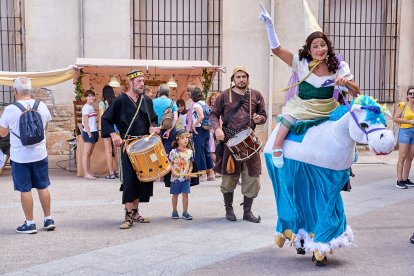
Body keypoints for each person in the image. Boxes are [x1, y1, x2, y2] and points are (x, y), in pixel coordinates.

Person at [259, 4, 359, 169]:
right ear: (309, 49)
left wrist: (346, 82)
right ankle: (277, 148)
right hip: (304, 105)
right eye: (315, 46)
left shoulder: (339, 65)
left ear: (328, 46)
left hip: (328, 106)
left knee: (348, 120)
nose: (320, 49)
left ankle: (352, 148)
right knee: (288, 119)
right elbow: (277, 50)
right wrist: (270, 26)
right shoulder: (300, 63)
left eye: (323, 45)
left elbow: (357, 92)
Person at [101, 70, 159, 229]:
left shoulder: (147, 100)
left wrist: (153, 127)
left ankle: (135, 212)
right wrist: (113, 134)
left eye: (143, 81)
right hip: (129, 145)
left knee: (143, 180)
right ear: (130, 83)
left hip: (145, 145)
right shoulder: (120, 101)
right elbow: (105, 119)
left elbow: (153, 119)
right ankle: (128, 215)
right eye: (139, 81)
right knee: (129, 181)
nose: (142, 84)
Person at [210, 67, 267, 223]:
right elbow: (213, 115)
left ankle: (247, 212)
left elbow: (264, 115)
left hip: (250, 141)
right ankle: (229, 210)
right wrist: (217, 129)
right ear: (233, 79)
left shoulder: (256, 95)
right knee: (228, 177)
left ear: (248, 78)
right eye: (238, 77)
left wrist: (259, 119)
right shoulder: (224, 95)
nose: (241, 79)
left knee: (252, 178)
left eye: (244, 77)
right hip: (230, 141)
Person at [0, 77, 55, 234]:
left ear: (15, 91)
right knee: (43, 186)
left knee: (25, 189)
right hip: (40, 154)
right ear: (30, 90)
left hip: (20, 157)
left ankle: (30, 223)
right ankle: (48, 219)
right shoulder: (41, 106)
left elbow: (2, 132)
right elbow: (45, 126)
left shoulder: (11, 109)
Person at [153, 84, 178, 187]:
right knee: (167, 152)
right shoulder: (172, 102)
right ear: (168, 92)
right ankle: (166, 175)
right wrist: (169, 130)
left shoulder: (152, 102)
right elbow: (175, 119)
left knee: (156, 152)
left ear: (159, 92)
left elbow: (148, 117)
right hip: (169, 130)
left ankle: (156, 175)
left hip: (156, 130)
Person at [169, 129, 194, 220]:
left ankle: (185, 212)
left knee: (185, 195)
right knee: (175, 194)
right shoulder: (173, 152)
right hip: (175, 178)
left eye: (187, 138)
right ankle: (174, 211)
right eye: (183, 138)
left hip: (185, 178)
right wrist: (173, 171)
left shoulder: (190, 152)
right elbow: (170, 163)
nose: (186, 140)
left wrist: (189, 173)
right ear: (177, 140)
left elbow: (191, 164)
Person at [190, 87, 214, 181]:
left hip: (199, 129)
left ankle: (202, 173)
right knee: (207, 151)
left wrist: (193, 126)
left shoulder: (196, 105)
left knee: (199, 152)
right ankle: (210, 173)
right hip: (206, 129)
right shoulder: (204, 103)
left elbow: (201, 116)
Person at [393, 86, 414, 189]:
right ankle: (399, 180)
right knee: (402, 156)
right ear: (407, 95)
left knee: (410, 157)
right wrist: (409, 122)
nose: (412, 95)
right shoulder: (403, 105)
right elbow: (395, 119)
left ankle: (406, 179)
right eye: (410, 93)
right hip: (405, 132)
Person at [98, 85, 119, 179]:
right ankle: (119, 171)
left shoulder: (102, 103)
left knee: (108, 151)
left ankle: (111, 173)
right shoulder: (116, 101)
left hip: (106, 127)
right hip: (116, 127)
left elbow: (102, 117)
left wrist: (99, 129)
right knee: (117, 150)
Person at [81, 90, 99, 180]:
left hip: (94, 131)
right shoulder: (85, 107)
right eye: (89, 96)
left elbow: (93, 121)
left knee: (89, 153)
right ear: (86, 98)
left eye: (92, 96)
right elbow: (85, 122)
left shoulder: (91, 107)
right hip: (89, 132)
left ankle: (89, 171)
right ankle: (85, 173)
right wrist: (89, 133)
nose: (91, 97)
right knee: (86, 153)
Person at [206, 92, 220, 165]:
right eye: (212, 99)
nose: (213, 100)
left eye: (215, 99)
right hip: (210, 132)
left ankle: (219, 167)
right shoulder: (208, 108)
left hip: (216, 132)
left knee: (213, 152)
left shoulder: (220, 109)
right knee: (212, 151)